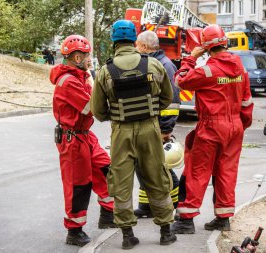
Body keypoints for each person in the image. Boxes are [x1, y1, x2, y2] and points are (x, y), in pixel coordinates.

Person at [91, 20, 177, 249]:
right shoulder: (153, 65)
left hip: (121, 132)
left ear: (114, 40)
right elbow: (167, 97)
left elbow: (98, 111)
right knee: (157, 176)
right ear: (134, 38)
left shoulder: (105, 71)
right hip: (150, 129)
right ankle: (166, 231)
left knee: (120, 181)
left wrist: (118, 115)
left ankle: (128, 236)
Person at [170, 24, 253, 234]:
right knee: (226, 172)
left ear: (206, 47)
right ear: (225, 42)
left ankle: (186, 220)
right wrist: (240, 125)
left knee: (197, 171)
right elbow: (246, 102)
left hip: (211, 126)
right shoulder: (241, 68)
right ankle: (223, 218)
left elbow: (180, 80)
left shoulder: (207, 70)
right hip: (235, 126)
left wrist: (190, 58)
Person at [50, 35, 116, 247]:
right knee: (78, 185)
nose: (90, 59)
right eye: (87, 56)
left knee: (106, 169)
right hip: (72, 139)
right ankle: (74, 230)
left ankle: (108, 214)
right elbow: (91, 107)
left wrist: (89, 77)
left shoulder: (78, 76)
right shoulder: (69, 81)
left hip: (85, 135)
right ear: (77, 57)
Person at [133, 30, 181, 218]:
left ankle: (178, 203)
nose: (135, 48)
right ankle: (146, 207)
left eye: (137, 45)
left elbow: (172, 101)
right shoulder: (154, 63)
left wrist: (166, 129)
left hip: (158, 128)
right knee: (143, 165)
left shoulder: (165, 66)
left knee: (161, 168)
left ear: (144, 47)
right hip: (149, 126)